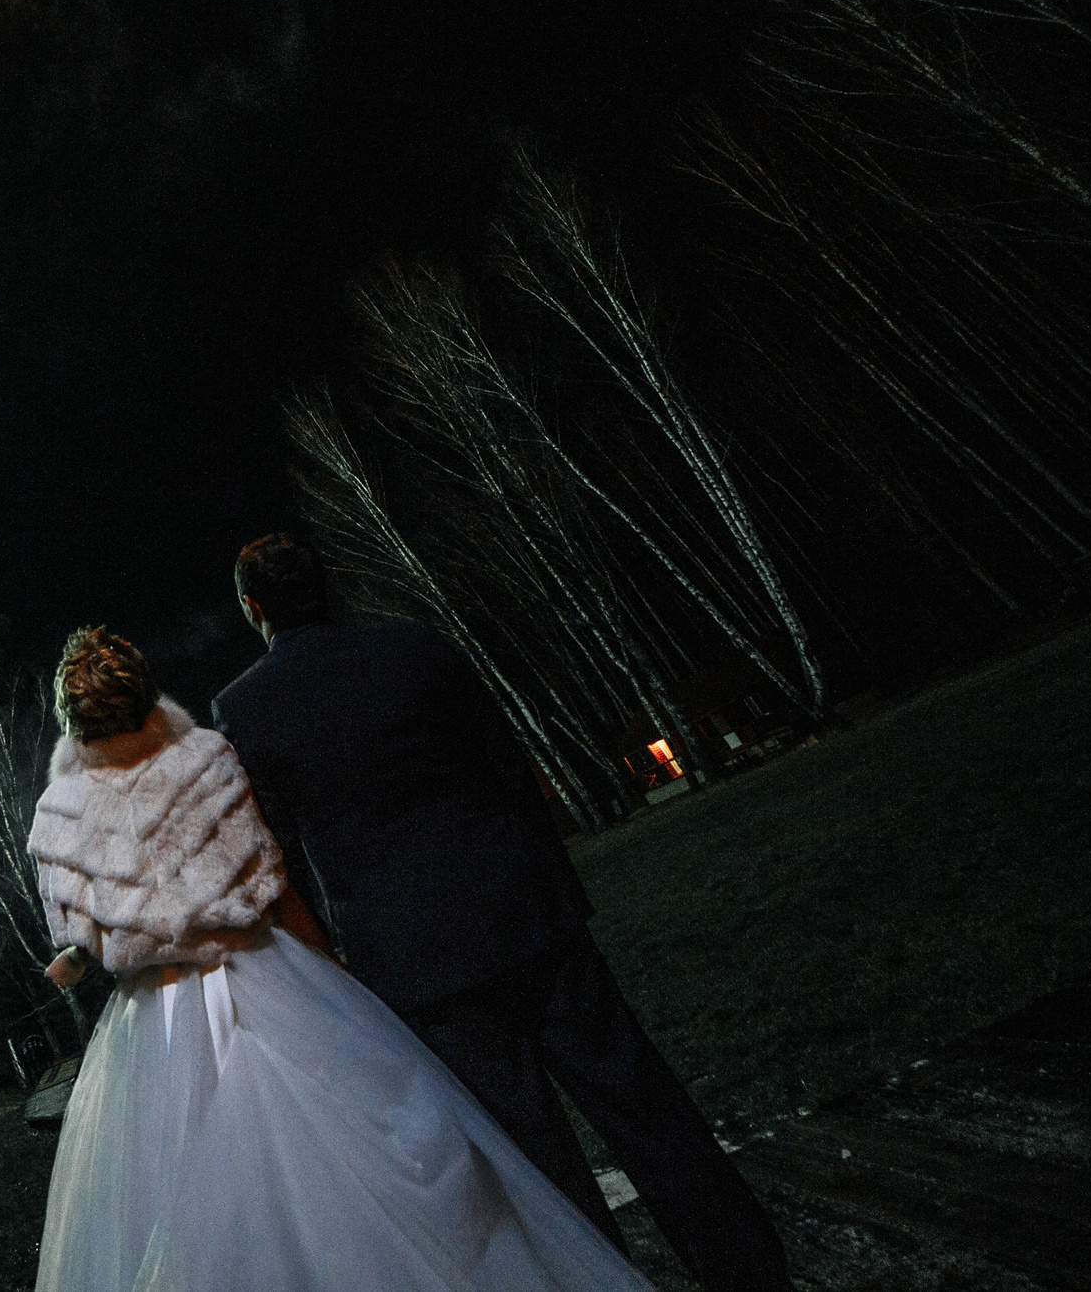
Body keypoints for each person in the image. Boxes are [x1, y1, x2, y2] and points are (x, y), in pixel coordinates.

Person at [212, 534, 794, 1292]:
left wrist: (339, 956)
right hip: (527, 912)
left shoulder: (246, 709)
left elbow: (280, 850)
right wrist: (552, 888)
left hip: (418, 959)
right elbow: (510, 770)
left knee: (535, 1163)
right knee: (646, 1109)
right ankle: (750, 1270)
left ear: (253, 607)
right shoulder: (419, 648)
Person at [30, 625, 652, 1292]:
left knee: (162, 1205)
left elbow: (81, 933)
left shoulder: (60, 813)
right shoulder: (207, 761)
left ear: (74, 721)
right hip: (262, 974)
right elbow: (271, 882)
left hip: (155, 1017)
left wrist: (97, 950)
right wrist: (331, 968)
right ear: (149, 698)